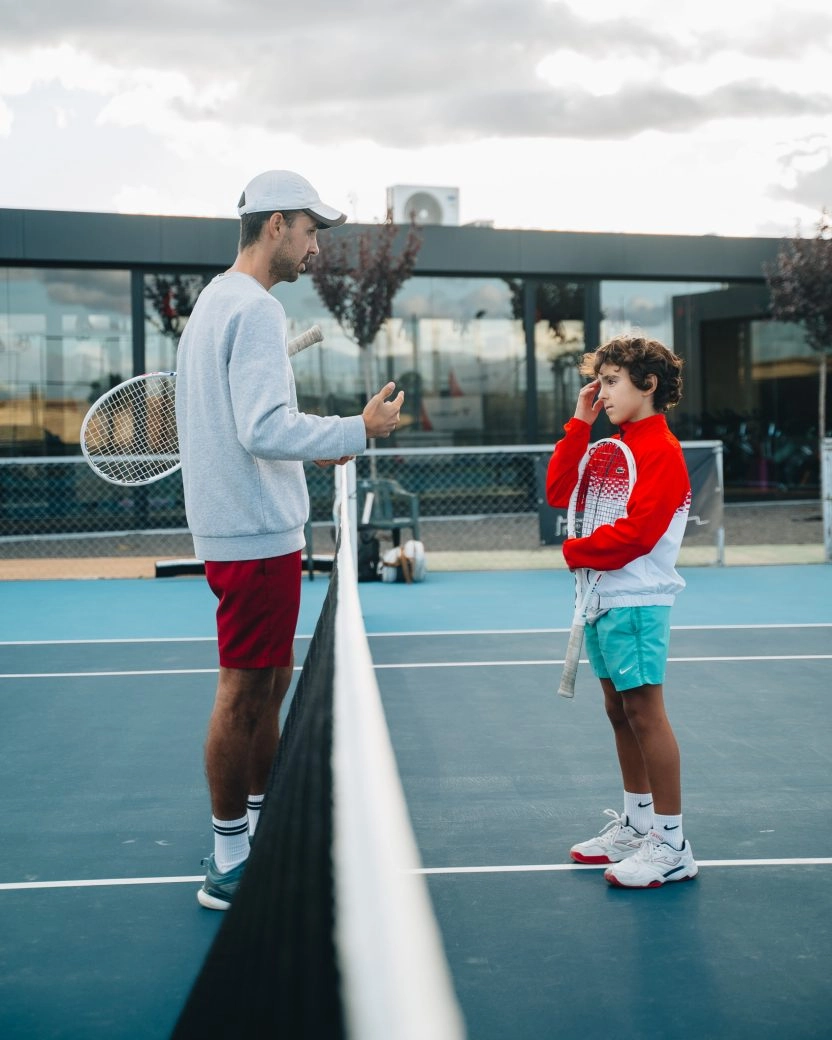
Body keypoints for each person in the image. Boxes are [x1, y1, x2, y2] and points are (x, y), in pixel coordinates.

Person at [175, 170, 404, 910]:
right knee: (245, 692)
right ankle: (228, 856)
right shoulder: (255, 310)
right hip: (251, 534)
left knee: (269, 684)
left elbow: (257, 430)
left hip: (244, 526)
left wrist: (324, 444)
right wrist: (355, 431)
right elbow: (262, 427)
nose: (315, 248)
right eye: (311, 231)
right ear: (276, 225)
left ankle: (263, 828)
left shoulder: (217, 301)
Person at [546, 333, 697, 888]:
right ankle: (637, 826)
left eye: (612, 381)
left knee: (645, 714)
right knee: (618, 711)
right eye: (600, 380)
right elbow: (559, 490)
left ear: (648, 385)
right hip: (603, 601)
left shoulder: (661, 450)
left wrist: (574, 552)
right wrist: (579, 423)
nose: (602, 391)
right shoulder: (609, 444)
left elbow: (640, 533)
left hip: (637, 602)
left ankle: (672, 842)